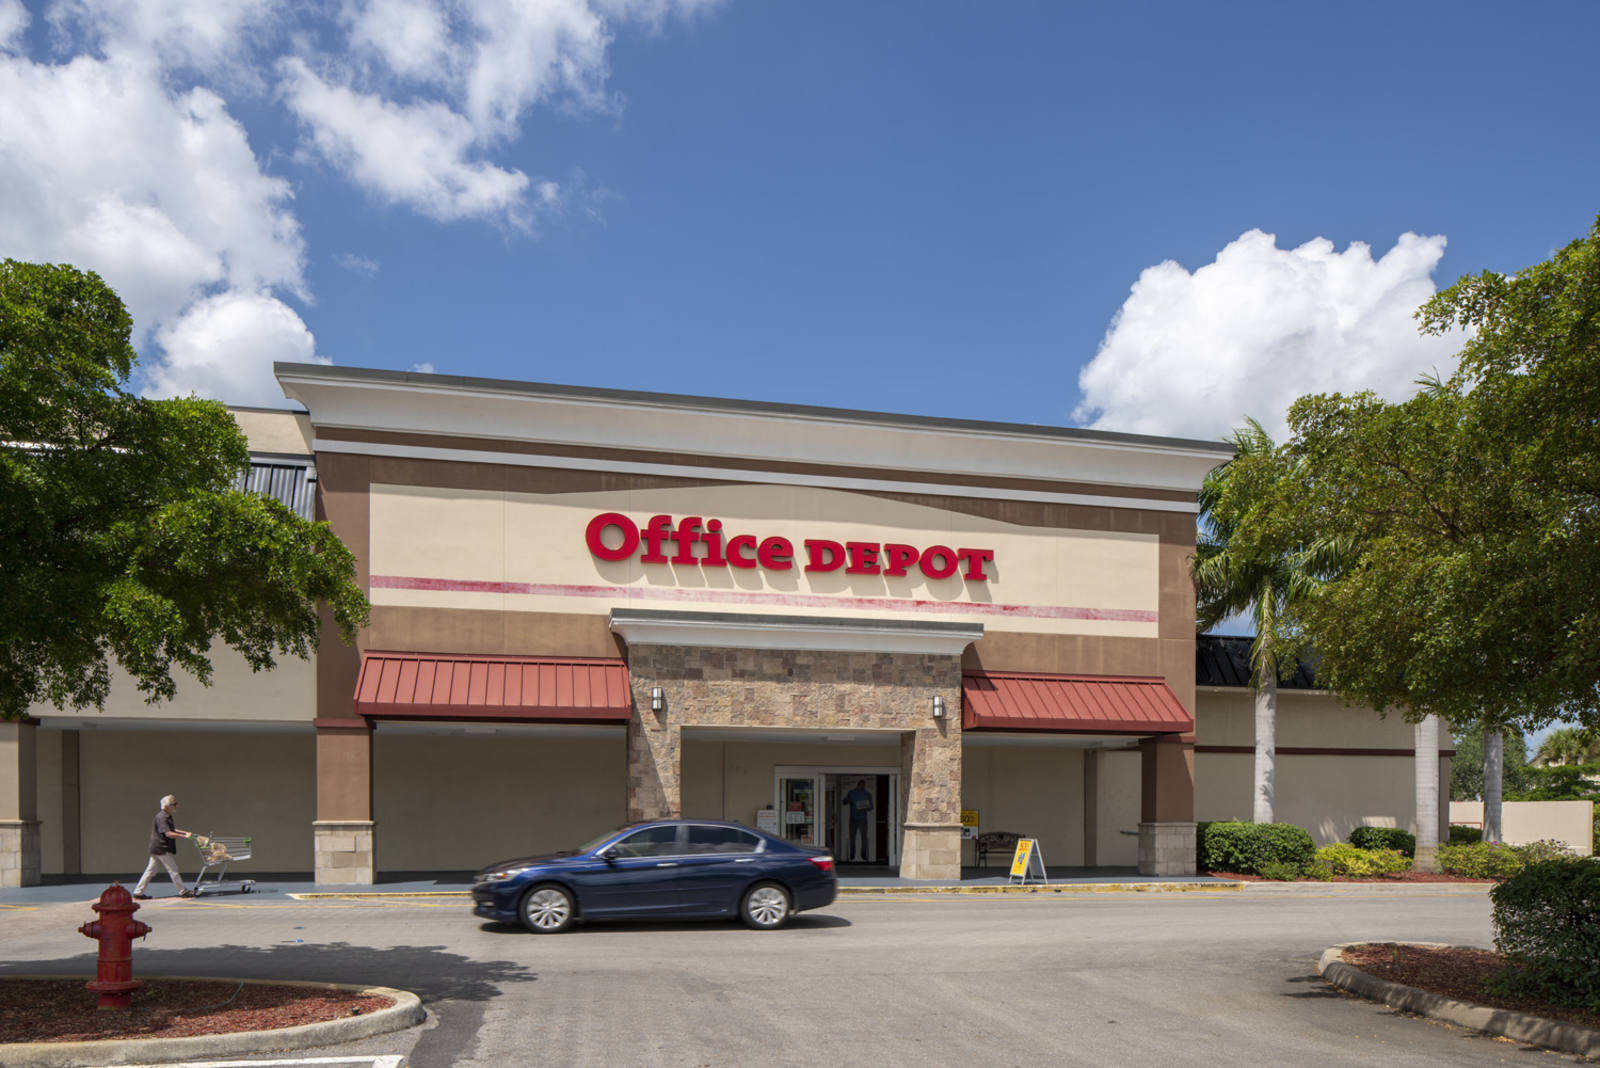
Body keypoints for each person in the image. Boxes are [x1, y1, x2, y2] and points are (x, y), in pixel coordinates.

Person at [133, 795, 194, 899]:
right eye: (174, 804)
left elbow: (172, 829)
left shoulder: (167, 816)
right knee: (173, 869)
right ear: (167, 806)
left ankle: (138, 892)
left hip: (157, 847)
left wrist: (185, 832)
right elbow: (168, 833)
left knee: (151, 870)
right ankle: (183, 891)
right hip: (161, 847)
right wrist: (184, 836)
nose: (176, 806)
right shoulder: (162, 817)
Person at [843, 779, 874, 862]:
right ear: (857, 785)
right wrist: (848, 801)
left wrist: (865, 807)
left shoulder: (867, 794)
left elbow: (871, 807)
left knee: (864, 837)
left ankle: (863, 854)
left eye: (863, 786)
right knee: (852, 837)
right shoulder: (851, 793)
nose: (861, 787)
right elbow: (844, 802)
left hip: (863, 819)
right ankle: (852, 855)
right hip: (853, 818)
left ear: (864, 786)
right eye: (860, 785)